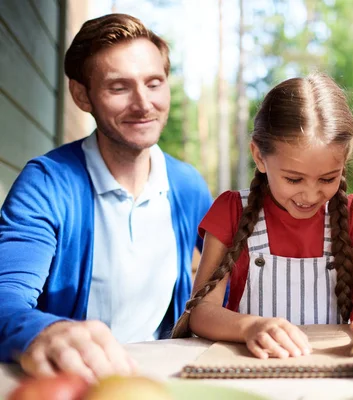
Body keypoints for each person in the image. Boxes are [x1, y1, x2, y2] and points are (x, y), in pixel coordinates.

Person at [0, 13, 212, 380]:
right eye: (119, 87)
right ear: (82, 95)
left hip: (160, 380)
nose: (143, 104)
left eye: (154, 83)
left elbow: (234, 282)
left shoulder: (188, 185)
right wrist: (42, 332)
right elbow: (5, 296)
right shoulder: (47, 184)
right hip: (71, 381)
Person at [171, 73, 353, 358]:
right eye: (294, 180)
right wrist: (251, 327)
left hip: (327, 372)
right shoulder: (232, 210)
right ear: (259, 156)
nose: (310, 195)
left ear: (344, 162)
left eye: (327, 179)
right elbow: (201, 312)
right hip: (249, 369)